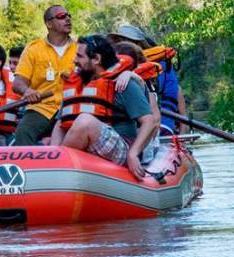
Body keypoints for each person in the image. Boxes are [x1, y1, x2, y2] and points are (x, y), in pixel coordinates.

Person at [50, 35, 158, 178]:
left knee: (85, 122)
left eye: (80, 56)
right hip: (85, 144)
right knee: (52, 139)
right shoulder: (76, 84)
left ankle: (58, 172)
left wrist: (133, 154)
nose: (75, 60)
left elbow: (150, 121)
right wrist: (52, 153)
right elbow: (60, 123)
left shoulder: (123, 84)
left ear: (96, 59)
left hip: (122, 147)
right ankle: (55, 169)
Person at [11, 5, 77, 145]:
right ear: (49, 24)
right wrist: (27, 91)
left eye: (68, 15)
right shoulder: (33, 49)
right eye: (61, 16)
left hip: (72, 107)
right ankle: (27, 166)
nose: (68, 19)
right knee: (23, 131)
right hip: (41, 108)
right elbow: (18, 83)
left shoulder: (80, 49)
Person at [108, 24, 187, 136]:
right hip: (144, 126)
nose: (120, 45)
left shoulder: (155, 67)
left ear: (137, 44)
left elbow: (173, 95)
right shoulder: (120, 69)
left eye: (124, 41)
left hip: (160, 128)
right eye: (118, 42)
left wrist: (181, 140)